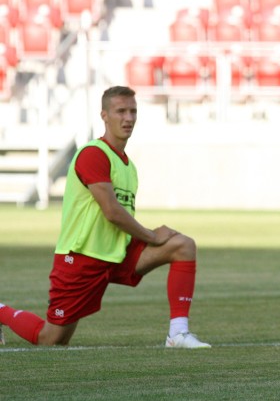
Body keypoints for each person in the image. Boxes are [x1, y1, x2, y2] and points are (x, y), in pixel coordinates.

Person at [0, 86, 210, 348]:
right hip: (81, 258)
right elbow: (112, 212)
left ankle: (177, 334)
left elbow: (120, 216)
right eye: (120, 111)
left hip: (116, 254)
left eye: (133, 111)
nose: (128, 118)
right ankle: (1, 312)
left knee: (183, 245)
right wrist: (153, 235)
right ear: (104, 116)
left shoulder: (128, 166)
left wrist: (152, 239)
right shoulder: (93, 154)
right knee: (51, 340)